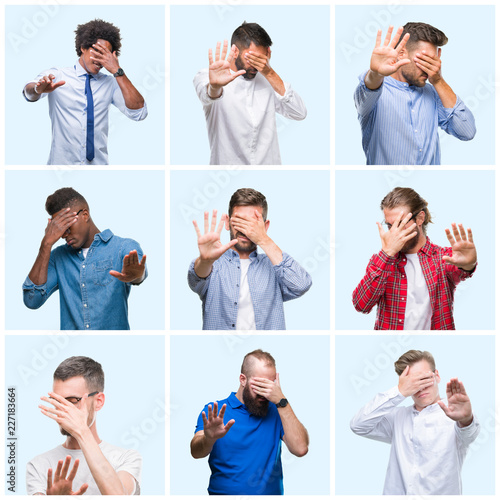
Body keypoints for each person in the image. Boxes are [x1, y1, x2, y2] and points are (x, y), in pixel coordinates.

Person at [350, 349, 479, 495]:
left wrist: (465, 419)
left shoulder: (455, 417)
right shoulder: (397, 417)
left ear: (437, 375)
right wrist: (399, 392)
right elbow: (358, 425)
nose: (420, 387)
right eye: (413, 383)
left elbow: (468, 434)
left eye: (424, 379)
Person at [23, 19, 147, 165]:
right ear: (83, 47)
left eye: (105, 54)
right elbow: (28, 93)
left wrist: (117, 71)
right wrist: (37, 89)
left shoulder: (111, 83)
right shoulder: (58, 76)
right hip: (60, 167)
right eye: (97, 51)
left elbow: (139, 113)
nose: (101, 59)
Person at [352, 187, 476, 330]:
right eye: (390, 225)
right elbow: (361, 305)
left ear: (420, 218)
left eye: (402, 223)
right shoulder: (381, 261)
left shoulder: (443, 257)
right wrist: (387, 253)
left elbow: (460, 269)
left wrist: (468, 264)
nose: (395, 232)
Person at [23, 187, 147, 330]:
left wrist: (136, 276)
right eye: (59, 230)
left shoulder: (122, 247)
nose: (64, 235)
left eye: (67, 227)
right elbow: (31, 300)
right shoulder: (58, 257)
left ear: (85, 215)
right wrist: (46, 244)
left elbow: (139, 274)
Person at [188, 188, 312, 330]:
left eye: (252, 223)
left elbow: (301, 284)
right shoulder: (213, 265)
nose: (245, 229)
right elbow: (195, 279)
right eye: (239, 221)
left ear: (265, 226)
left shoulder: (274, 266)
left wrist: (264, 239)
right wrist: (205, 261)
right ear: (228, 222)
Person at [354, 23, 476, 165]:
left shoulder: (433, 93)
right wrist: (376, 73)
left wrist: (438, 81)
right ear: (401, 54)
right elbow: (367, 91)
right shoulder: (375, 88)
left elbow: (467, 132)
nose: (429, 69)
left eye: (433, 61)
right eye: (424, 61)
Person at [191, 349, 308, 495]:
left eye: (269, 385)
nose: (264, 393)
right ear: (242, 379)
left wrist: (281, 401)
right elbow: (195, 452)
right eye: (259, 384)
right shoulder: (216, 410)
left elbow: (300, 449)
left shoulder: (278, 410)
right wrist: (208, 439)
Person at [193, 22, 307, 165]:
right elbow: (208, 95)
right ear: (235, 51)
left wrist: (270, 73)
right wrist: (215, 87)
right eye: (251, 58)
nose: (257, 65)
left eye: (261, 59)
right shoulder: (208, 76)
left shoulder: (269, 80)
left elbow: (299, 113)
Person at [26, 356, 142, 495]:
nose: (63, 409)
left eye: (72, 400)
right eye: (57, 401)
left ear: (98, 401)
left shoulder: (125, 458)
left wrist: (81, 431)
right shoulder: (39, 465)